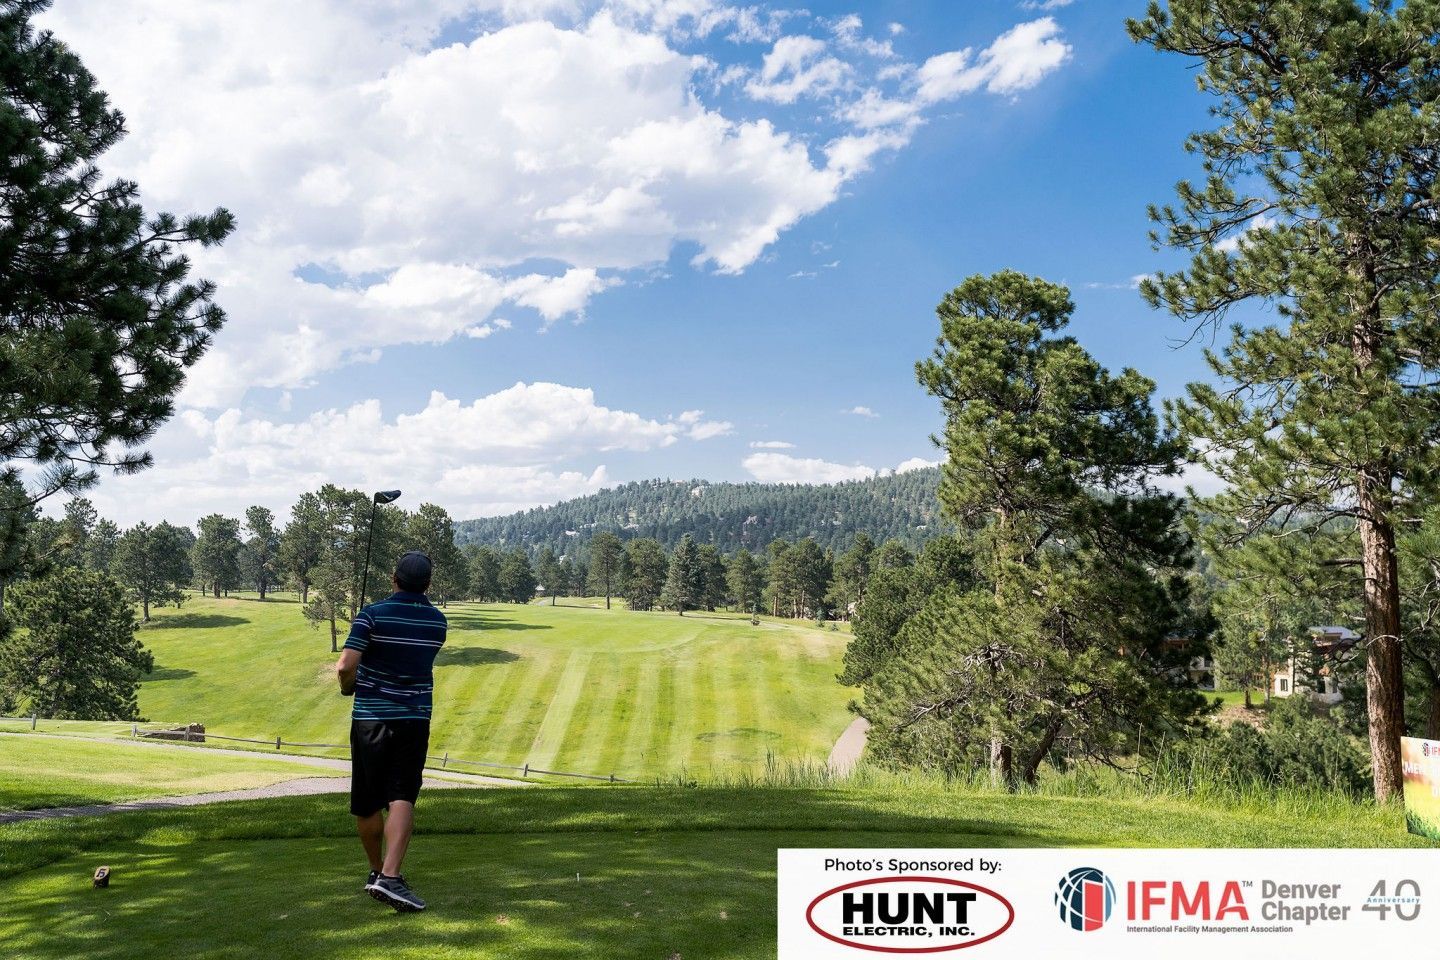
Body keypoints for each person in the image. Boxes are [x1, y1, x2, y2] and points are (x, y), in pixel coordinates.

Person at [335, 550, 447, 912]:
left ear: (393, 577)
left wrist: (348, 685)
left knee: (367, 800)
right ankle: (390, 875)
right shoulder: (437, 622)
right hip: (414, 719)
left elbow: (344, 666)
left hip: (370, 717)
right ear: (428, 584)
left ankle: (377, 873)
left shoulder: (371, 615)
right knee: (402, 795)